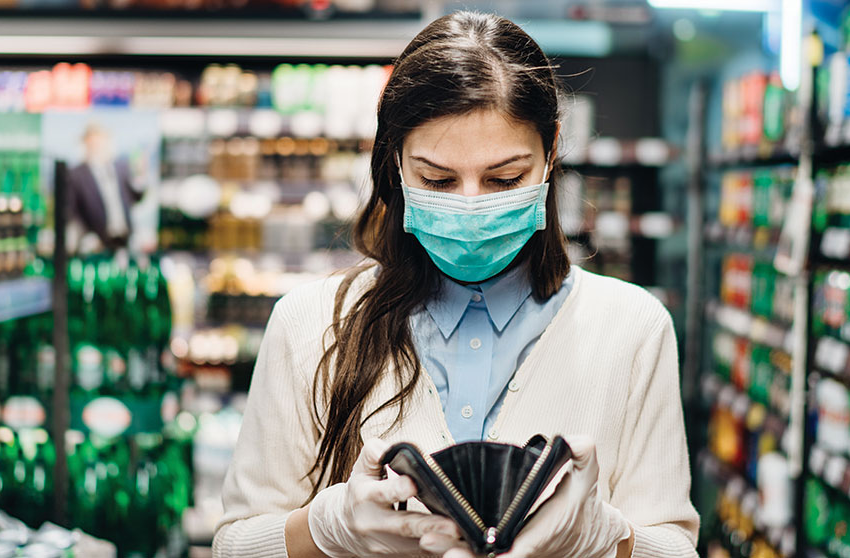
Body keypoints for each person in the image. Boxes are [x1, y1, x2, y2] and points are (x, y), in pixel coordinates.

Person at [214, 11, 698, 558]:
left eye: (504, 179)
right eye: (437, 180)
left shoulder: (631, 328)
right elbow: (234, 545)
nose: (471, 205)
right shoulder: (311, 324)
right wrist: (326, 528)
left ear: (551, 152)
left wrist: (609, 538)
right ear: (395, 161)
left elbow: (675, 546)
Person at [66, 122, 143, 252]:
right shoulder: (77, 174)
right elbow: (72, 211)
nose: (98, 147)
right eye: (93, 143)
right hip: (96, 242)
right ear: (86, 145)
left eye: (101, 142)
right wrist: (84, 236)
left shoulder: (121, 168)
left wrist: (141, 176)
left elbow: (136, 197)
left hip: (126, 239)